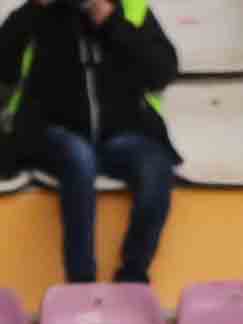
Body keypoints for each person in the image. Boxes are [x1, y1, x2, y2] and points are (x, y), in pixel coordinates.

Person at [1, 0, 179, 290]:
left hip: (120, 135)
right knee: (79, 158)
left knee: (156, 166)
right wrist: (33, 11)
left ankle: (133, 277)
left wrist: (110, 22)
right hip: (50, 133)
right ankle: (81, 284)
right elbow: (4, 69)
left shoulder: (131, 9)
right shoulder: (38, 13)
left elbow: (162, 71)